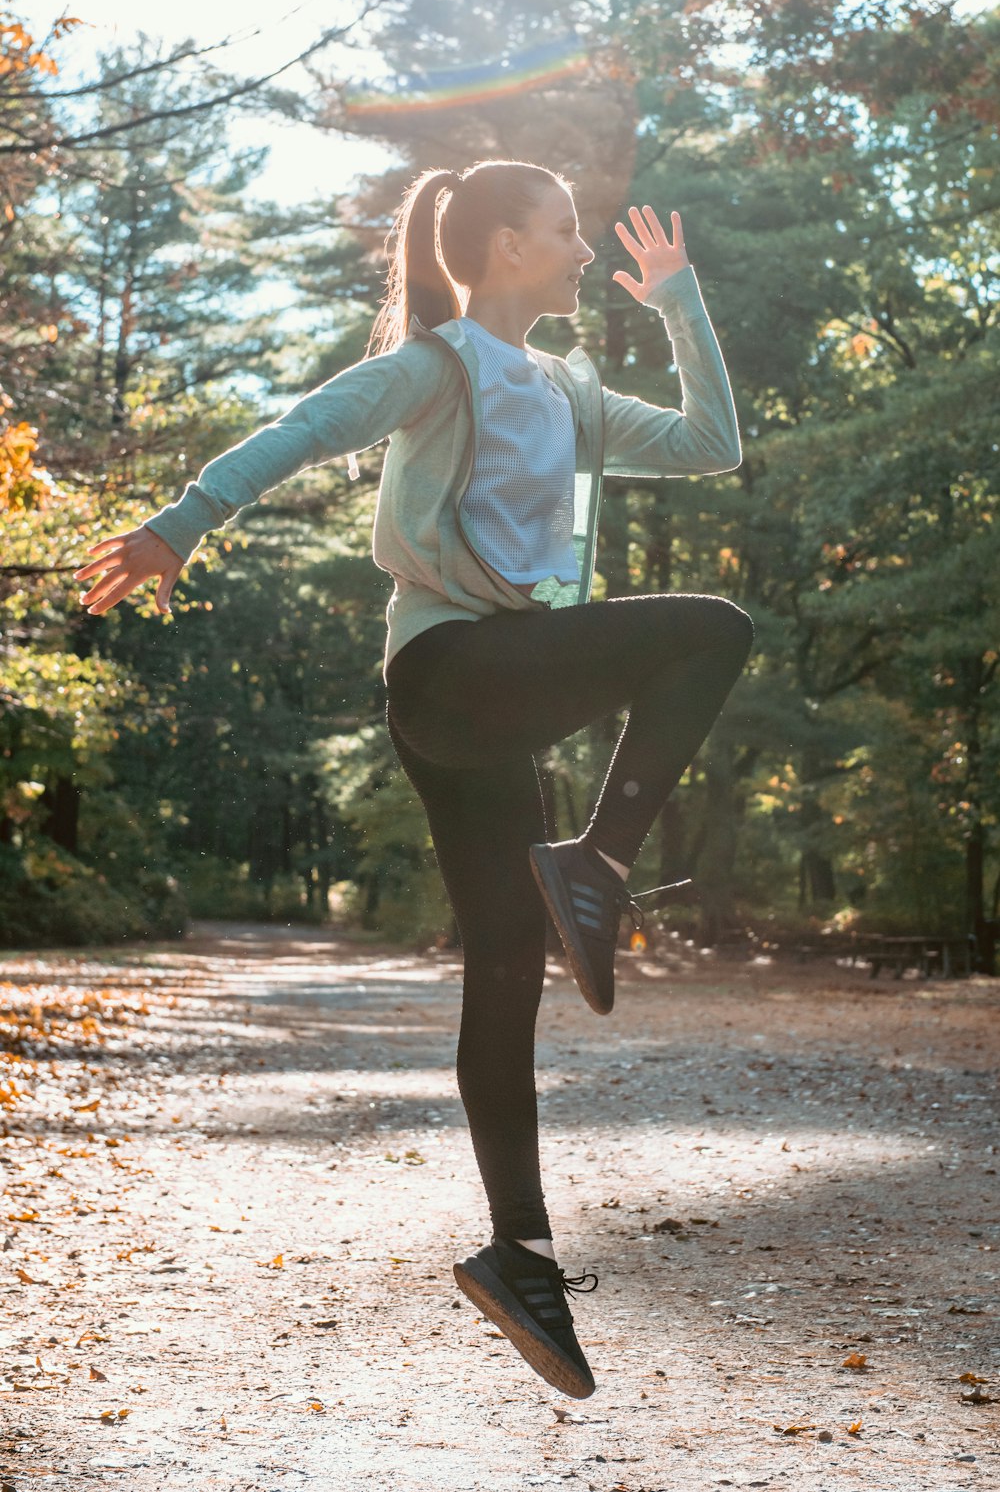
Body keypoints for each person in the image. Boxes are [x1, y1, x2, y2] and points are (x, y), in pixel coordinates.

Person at [75, 159, 752, 1400]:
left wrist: (678, 300)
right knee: (710, 627)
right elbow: (301, 430)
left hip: (495, 708)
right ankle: (596, 863)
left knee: (507, 968)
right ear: (498, 246)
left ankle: (521, 1253)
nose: (583, 247)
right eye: (561, 231)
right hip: (446, 673)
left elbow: (712, 447)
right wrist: (182, 521)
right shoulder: (437, 368)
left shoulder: (571, 391)